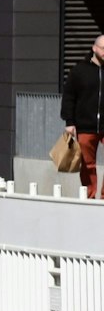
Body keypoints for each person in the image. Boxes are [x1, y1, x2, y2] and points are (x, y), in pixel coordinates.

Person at [62, 33, 104, 198]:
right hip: (86, 124)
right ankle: (90, 195)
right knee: (87, 165)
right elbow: (69, 96)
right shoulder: (79, 71)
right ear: (94, 48)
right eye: (103, 48)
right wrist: (69, 121)